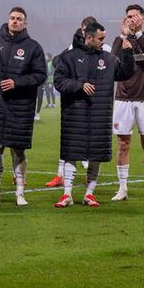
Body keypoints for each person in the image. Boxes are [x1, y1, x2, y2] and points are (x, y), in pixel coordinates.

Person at [53, 21, 134, 208]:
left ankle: (89, 194)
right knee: (71, 154)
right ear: (89, 37)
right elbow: (59, 81)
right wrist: (79, 86)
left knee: (96, 155)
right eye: (100, 38)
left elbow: (125, 73)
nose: (103, 42)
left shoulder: (108, 58)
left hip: (100, 115)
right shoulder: (69, 57)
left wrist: (128, 52)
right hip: (75, 115)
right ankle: (67, 194)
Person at [0, 7, 47, 206]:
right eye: (12, 18)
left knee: (19, 149)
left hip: (20, 105)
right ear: (8, 20)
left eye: (19, 19)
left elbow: (40, 75)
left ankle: (20, 192)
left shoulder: (33, 47)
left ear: (25, 23)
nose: (15, 21)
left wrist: (18, 82)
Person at [46, 16, 110, 188]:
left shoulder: (105, 48)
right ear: (81, 30)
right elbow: (58, 61)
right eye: (83, 29)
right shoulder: (73, 48)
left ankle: (88, 186)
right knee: (70, 143)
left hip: (97, 103)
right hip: (75, 104)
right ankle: (61, 176)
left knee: (90, 145)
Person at [113, 4, 144, 202]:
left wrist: (138, 33)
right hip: (123, 98)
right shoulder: (120, 40)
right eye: (128, 16)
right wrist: (125, 36)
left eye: (135, 16)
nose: (131, 19)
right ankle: (122, 188)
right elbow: (113, 60)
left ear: (143, 18)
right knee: (123, 144)